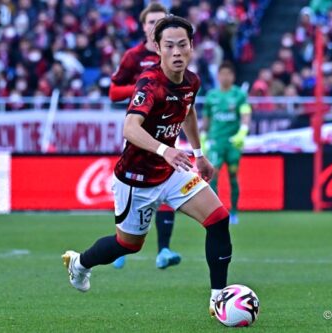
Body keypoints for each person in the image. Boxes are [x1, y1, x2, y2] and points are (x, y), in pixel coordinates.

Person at [63, 15, 232, 317]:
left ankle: (219, 300)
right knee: (127, 244)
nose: (177, 52)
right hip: (136, 179)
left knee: (218, 218)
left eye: (183, 45)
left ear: (192, 46)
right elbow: (129, 128)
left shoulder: (191, 81)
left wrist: (199, 153)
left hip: (172, 172)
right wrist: (164, 149)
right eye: (170, 46)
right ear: (157, 48)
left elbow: (188, 111)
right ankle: (80, 263)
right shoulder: (150, 83)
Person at [108, 3, 181, 270]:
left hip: (168, 133)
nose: (154, 26)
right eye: (151, 22)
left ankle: (164, 250)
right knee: (131, 188)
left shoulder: (176, 54)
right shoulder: (134, 56)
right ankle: (120, 245)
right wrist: (143, 89)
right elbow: (113, 92)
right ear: (143, 26)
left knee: (166, 187)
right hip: (138, 133)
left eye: (160, 21)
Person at [201, 62, 252, 225]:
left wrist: (243, 131)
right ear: (218, 76)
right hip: (216, 142)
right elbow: (206, 119)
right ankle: (217, 211)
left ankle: (235, 211)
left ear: (233, 76)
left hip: (232, 144)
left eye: (228, 74)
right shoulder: (211, 96)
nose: (225, 77)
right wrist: (202, 137)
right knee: (213, 175)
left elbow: (245, 114)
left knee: (232, 176)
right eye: (222, 74)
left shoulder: (239, 95)